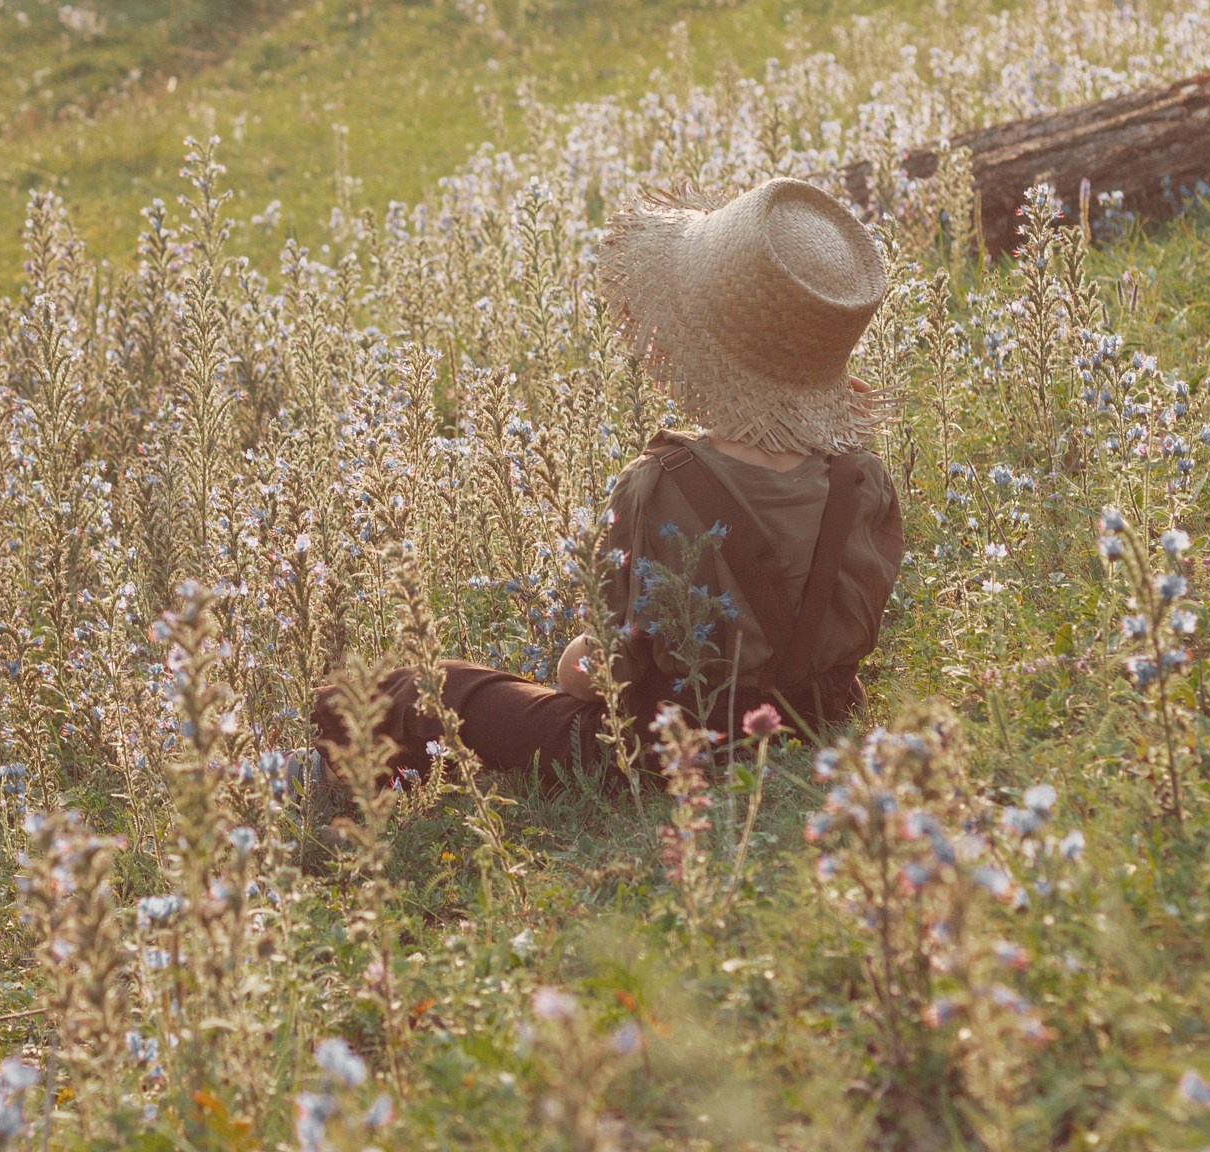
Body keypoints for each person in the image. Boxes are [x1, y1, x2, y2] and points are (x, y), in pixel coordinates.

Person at [312, 176, 906, 783]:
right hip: (819, 724)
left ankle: (329, 765)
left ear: (695, 337)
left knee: (428, 689)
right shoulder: (863, 481)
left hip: (664, 751)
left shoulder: (661, 486)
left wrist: (572, 658)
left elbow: (603, 675)